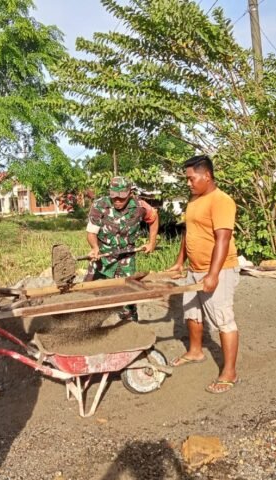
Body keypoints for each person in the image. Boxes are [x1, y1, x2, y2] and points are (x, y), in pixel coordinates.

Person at [168, 155, 240, 394]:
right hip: (194, 269)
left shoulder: (221, 201)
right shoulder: (195, 200)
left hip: (219, 269)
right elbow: (189, 233)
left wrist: (213, 274)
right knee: (191, 312)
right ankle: (195, 351)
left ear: (207, 176)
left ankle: (229, 372)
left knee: (223, 319)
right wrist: (180, 262)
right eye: (187, 179)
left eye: (191, 178)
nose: (188, 183)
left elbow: (223, 239)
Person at [86, 176, 159, 320]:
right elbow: (91, 232)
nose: (117, 201)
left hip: (127, 256)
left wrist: (152, 242)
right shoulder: (100, 205)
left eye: (122, 197)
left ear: (130, 193)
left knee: (129, 293)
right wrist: (94, 248)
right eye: (114, 197)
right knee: (88, 289)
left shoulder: (140, 206)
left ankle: (129, 319)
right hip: (103, 255)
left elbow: (154, 218)